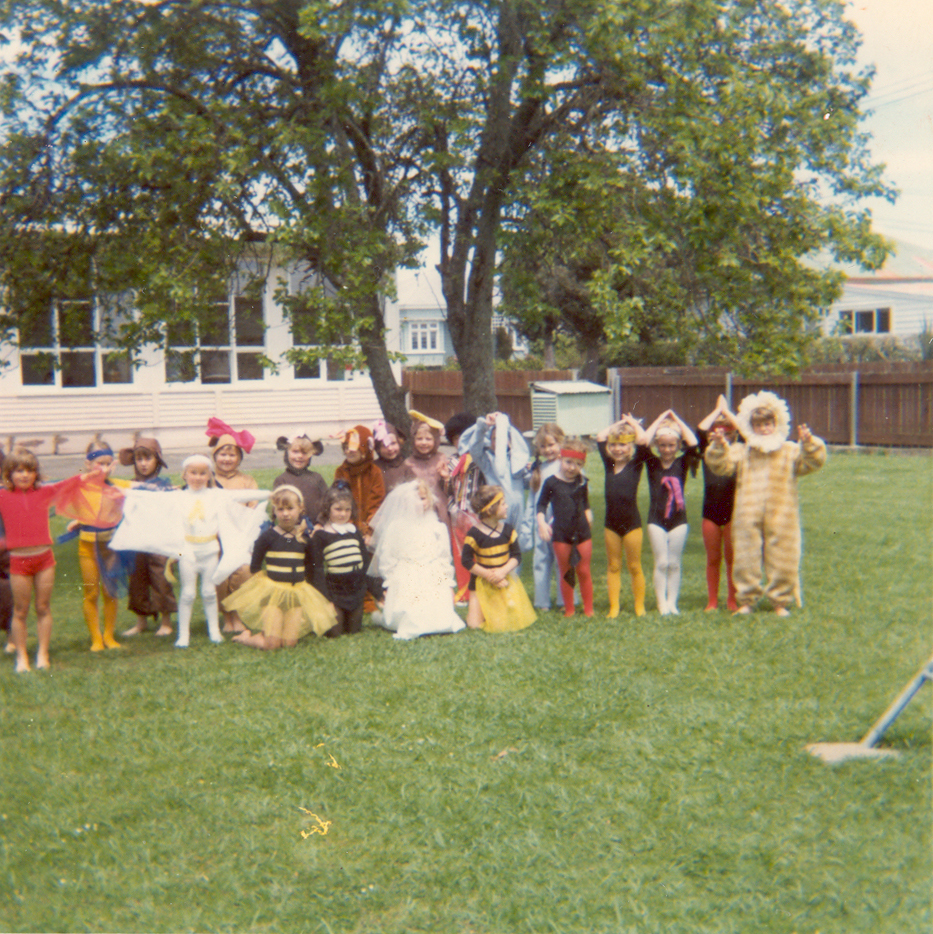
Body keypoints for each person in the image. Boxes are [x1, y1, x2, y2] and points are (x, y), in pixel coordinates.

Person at [110, 454, 271, 647]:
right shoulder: (178, 497)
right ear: (184, 475)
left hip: (210, 550)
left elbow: (240, 495)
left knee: (209, 592)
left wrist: (269, 494)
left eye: (202, 473)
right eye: (193, 473)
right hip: (188, 551)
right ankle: (183, 634)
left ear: (209, 475)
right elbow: (150, 498)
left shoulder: (216, 495)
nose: (197, 477)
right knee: (187, 593)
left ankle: (214, 630)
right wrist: (125, 493)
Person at [704, 390, 827, 616]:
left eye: (768, 424)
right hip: (746, 514)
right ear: (752, 427)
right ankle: (747, 600)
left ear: (776, 423)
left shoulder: (789, 450)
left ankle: (780, 602)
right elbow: (720, 465)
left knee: (783, 555)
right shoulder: (744, 451)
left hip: (782, 514)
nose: (764, 429)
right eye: (759, 425)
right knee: (745, 556)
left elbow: (812, 463)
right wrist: (720, 446)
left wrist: (809, 444)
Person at [0, 449, 101, 672]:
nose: (24, 475)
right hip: (19, 561)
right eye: (19, 471)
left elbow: (70, 483)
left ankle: (42, 654)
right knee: (20, 610)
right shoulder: (3, 496)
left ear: (36, 473)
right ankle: (22, 657)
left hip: (44, 559)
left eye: (29, 470)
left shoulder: (44, 492)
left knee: (43, 607)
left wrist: (92, 473)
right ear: (9, 473)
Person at [224, 486, 337, 649]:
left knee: (289, 643)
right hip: (273, 595)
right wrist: (264, 588)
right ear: (274, 511)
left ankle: (270, 631)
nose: (285, 514)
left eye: (290, 508)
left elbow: (315, 569)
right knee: (272, 645)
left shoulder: (305, 539)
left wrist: (325, 599)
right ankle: (246, 637)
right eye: (280, 509)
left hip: (296, 592)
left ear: (300, 509)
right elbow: (255, 566)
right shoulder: (267, 537)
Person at [368, 480, 466, 640]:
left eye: (423, 498)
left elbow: (443, 557)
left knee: (440, 616)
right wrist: (391, 580)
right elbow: (388, 557)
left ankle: (438, 618)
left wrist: (447, 583)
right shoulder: (396, 527)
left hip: (432, 574)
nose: (419, 503)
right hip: (407, 575)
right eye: (414, 499)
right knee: (411, 610)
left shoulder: (437, 527)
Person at [69, 440, 133, 652]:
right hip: (87, 547)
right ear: (88, 464)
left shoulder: (118, 485)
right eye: (99, 463)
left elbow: (143, 491)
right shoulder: (79, 484)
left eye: (108, 463)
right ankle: (96, 637)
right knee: (91, 593)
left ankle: (109, 635)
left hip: (111, 546)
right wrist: (79, 520)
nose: (104, 469)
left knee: (110, 591)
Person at [642, 409, 700, 615]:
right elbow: (642, 442)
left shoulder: (681, 463)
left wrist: (676, 420)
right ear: (658, 445)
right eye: (663, 445)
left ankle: (672, 602)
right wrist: (658, 420)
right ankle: (661, 603)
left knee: (674, 563)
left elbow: (693, 443)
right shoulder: (652, 463)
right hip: (656, 519)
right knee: (662, 562)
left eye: (671, 445)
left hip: (678, 519)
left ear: (677, 445)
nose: (667, 449)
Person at [119, 437, 177, 637]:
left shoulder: (165, 486)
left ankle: (166, 621)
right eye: (139, 459)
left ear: (157, 461)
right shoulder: (129, 485)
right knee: (137, 578)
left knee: (160, 577)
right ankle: (141, 620)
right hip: (136, 539)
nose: (143, 463)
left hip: (159, 539)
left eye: (148, 458)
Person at [207, 418, 260, 634]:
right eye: (222, 454)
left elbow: (254, 509)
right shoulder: (208, 480)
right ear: (215, 456)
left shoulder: (248, 481)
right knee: (219, 576)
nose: (227, 459)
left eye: (232, 454)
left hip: (239, 537)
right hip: (215, 538)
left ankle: (237, 614)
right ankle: (226, 616)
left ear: (239, 457)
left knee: (242, 572)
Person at [461, 485, 536, 633]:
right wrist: (489, 576)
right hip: (481, 581)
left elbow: (516, 556)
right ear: (490, 510)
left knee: (505, 622)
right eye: (503, 504)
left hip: (504, 579)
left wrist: (502, 572)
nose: (507, 506)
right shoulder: (474, 533)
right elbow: (467, 561)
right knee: (474, 625)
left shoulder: (508, 530)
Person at [595, 414, 650, 618]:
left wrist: (633, 423)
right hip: (611, 525)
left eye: (623, 445)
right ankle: (614, 607)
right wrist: (619, 423)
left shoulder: (636, 463)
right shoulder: (609, 464)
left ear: (630, 447)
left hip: (632, 524)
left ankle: (639, 606)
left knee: (635, 566)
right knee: (613, 565)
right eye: (615, 445)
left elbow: (643, 440)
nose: (618, 449)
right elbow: (600, 437)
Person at [536, 438, 594, 618]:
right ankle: (569, 609)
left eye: (578, 464)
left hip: (582, 533)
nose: (572, 467)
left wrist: (588, 514)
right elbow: (541, 505)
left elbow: (585, 504)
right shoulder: (551, 483)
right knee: (566, 571)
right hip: (561, 534)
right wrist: (542, 523)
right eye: (568, 462)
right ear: (561, 458)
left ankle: (588, 609)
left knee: (583, 570)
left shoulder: (582, 481)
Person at [309, 486, 375, 636]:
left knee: (353, 631)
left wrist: (376, 592)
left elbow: (365, 564)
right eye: (338, 509)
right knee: (335, 633)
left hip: (355, 591)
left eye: (347, 510)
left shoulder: (355, 532)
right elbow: (317, 569)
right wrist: (325, 600)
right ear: (328, 509)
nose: (343, 514)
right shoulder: (321, 535)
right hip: (335, 592)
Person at [696, 396, 741, 612]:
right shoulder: (709, 449)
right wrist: (717, 411)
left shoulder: (741, 450)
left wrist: (728, 413)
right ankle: (712, 601)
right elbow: (700, 428)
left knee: (732, 560)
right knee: (713, 559)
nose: (722, 432)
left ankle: (732, 600)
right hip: (711, 512)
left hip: (734, 513)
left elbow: (746, 430)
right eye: (718, 429)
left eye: (727, 429)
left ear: (733, 432)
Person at [519, 423, 566, 610]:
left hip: (562, 522)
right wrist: (532, 522)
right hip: (541, 522)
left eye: (552, 444)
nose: (548, 450)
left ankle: (566, 600)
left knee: (563, 561)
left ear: (560, 442)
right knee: (541, 561)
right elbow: (532, 498)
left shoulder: (567, 465)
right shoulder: (538, 469)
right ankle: (542, 602)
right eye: (543, 446)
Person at [458, 412, 530, 531]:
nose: (497, 442)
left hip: (518, 508)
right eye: (494, 439)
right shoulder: (487, 461)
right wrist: (482, 427)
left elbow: (527, 483)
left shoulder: (517, 461)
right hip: (498, 508)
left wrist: (529, 471)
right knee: (498, 539)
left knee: (516, 542)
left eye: (501, 438)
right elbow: (475, 449)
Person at [333, 424, 385, 543]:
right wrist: (349, 526)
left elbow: (376, 504)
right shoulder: (341, 472)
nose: (349, 451)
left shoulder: (374, 472)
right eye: (346, 447)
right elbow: (340, 500)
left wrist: (369, 531)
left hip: (370, 529)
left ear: (365, 449)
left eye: (353, 447)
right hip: (346, 526)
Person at [404, 411, 452, 529]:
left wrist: (446, 478)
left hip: (441, 509)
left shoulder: (441, 459)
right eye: (419, 439)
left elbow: (450, 489)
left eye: (428, 439)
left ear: (435, 440)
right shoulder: (408, 463)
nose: (424, 443)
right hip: (419, 510)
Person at [273, 433, 329, 527]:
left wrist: (320, 524)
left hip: (317, 529)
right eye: (295, 451)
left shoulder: (316, 478)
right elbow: (278, 509)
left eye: (304, 453)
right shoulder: (281, 480)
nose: (299, 456)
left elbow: (328, 503)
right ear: (287, 452)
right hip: (291, 529)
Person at [372, 420, 415, 493]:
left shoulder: (406, 467)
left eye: (393, 443)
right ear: (378, 449)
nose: (390, 449)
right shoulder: (374, 468)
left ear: (399, 443)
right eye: (384, 446)